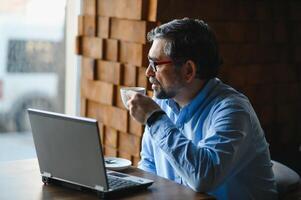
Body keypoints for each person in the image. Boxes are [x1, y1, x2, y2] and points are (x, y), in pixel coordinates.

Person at [127, 18, 278, 199]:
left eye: (155, 64)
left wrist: (155, 119)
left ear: (188, 70)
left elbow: (204, 178)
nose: (148, 73)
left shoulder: (233, 110)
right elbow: (149, 166)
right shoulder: (162, 104)